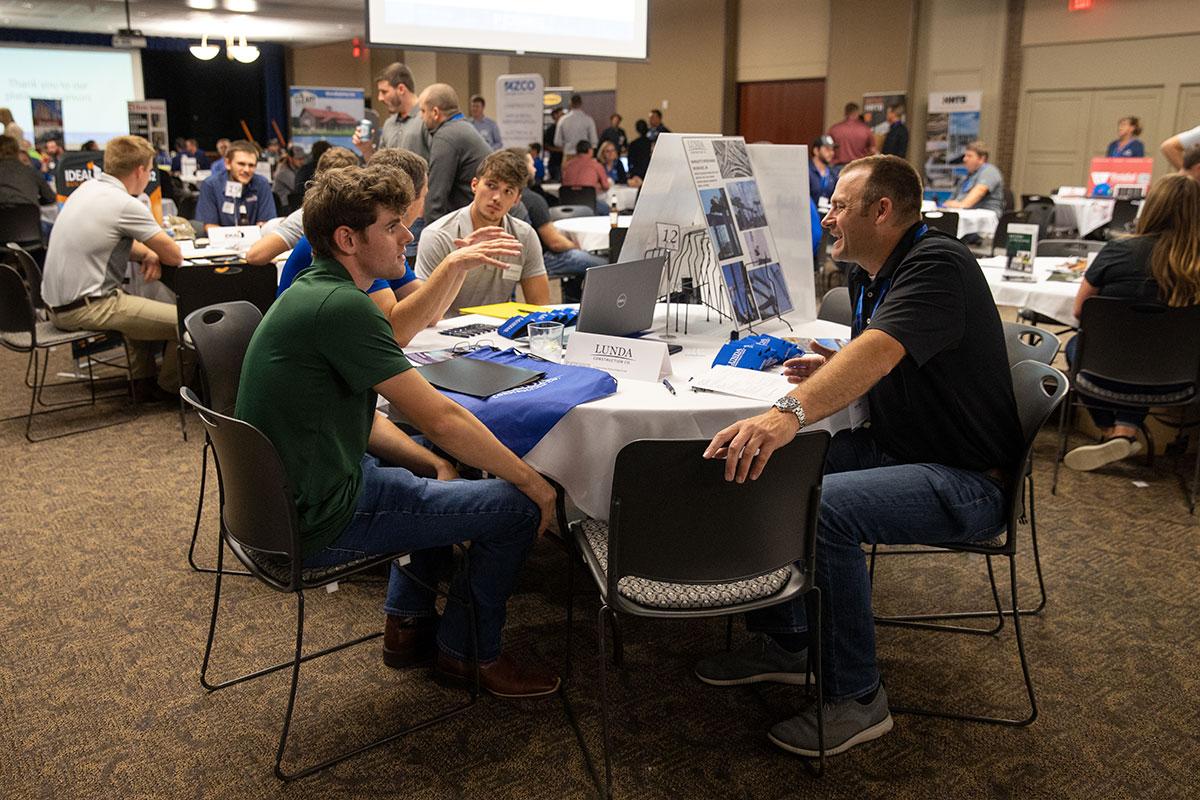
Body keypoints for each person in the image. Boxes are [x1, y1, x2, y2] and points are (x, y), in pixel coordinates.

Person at [694, 155, 1021, 758]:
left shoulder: (936, 264)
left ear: (883, 210)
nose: (828, 215)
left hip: (966, 478)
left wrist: (785, 413)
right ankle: (790, 641)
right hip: (902, 450)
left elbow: (879, 350)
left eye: (839, 206)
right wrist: (831, 370)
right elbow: (890, 358)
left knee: (826, 509)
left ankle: (857, 698)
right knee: (777, 473)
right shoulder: (874, 274)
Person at [234, 162, 560, 697]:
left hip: (290, 499)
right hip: (320, 519)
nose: (408, 233)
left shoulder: (318, 289)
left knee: (433, 456)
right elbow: (443, 416)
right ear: (347, 239)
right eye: (392, 226)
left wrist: (428, 459)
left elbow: (358, 422)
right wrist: (534, 481)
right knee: (517, 507)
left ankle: (407, 624)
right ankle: (468, 654)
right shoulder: (343, 308)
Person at [1063, 174, 1200, 472]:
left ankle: (1112, 431)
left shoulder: (1117, 251)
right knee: (1151, 348)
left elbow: (1079, 310)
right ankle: (1126, 430)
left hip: (1101, 373)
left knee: (1080, 345)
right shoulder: (1196, 262)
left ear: (1150, 208)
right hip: (1178, 379)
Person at [41, 135, 184, 401]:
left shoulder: (86, 189)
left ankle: (142, 382)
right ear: (141, 171)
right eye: (151, 169)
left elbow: (105, 243)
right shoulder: (124, 204)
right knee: (187, 321)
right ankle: (171, 387)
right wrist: (154, 252)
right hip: (88, 307)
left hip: (56, 306)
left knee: (136, 305)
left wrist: (147, 254)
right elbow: (174, 255)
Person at [417, 148, 548, 313]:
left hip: (499, 332)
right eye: (491, 185)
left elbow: (540, 309)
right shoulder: (438, 235)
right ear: (474, 185)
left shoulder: (524, 236)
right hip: (444, 331)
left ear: (517, 200)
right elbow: (422, 312)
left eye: (508, 191)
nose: (497, 198)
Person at [513, 147, 605, 302]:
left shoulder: (516, 197)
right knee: (605, 264)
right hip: (544, 259)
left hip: (519, 260)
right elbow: (554, 243)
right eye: (531, 164)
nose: (535, 168)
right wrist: (576, 246)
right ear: (523, 168)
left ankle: (573, 295)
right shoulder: (533, 200)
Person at [246, 146, 359, 266]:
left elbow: (254, 256)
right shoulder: (313, 214)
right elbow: (255, 256)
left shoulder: (308, 214)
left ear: (318, 176)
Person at [419, 83, 493, 223]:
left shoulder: (446, 136)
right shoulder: (463, 128)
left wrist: (432, 239)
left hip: (469, 223)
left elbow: (435, 199)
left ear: (435, 113)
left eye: (423, 111)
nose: (420, 117)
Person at [356, 62, 430, 162]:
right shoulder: (389, 124)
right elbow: (380, 168)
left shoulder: (426, 119)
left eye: (384, 92)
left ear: (401, 89)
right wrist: (366, 149)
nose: (380, 98)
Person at [195, 139, 277, 230]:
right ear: (228, 163)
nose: (246, 170)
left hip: (255, 241)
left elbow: (266, 224)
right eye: (241, 164)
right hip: (220, 242)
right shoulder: (210, 185)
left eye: (251, 165)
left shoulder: (262, 184)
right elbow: (210, 226)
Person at [943, 140, 1005, 216]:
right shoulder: (966, 177)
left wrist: (961, 204)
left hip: (984, 219)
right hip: (963, 215)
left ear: (981, 158)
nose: (964, 159)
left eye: (969, 156)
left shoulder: (990, 171)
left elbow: (979, 191)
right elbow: (949, 201)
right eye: (965, 156)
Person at [0, 134, 55, 208]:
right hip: (29, 214)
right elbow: (50, 197)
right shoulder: (30, 171)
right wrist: (32, 201)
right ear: (17, 151)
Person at [554, 94, 598, 167]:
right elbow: (594, 141)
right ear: (581, 104)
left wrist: (566, 144)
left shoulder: (563, 120)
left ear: (570, 103)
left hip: (568, 156)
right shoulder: (588, 120)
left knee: (568, 177)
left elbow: (557, 142)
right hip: (584, 156)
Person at [827, 102, 875, 168]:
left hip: (838, 167)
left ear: (845, 113)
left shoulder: (834, 129)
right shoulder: (866, 130)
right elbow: (873, 150)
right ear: (857, 113)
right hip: (858, 166)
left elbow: (826, 148)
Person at [809, 135, 837, 205]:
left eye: (832, 149)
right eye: (827, 149)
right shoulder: (806, 171)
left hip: (827, 212)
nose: (832, 153)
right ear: (816, 151)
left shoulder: (833, 174)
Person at [543, 107, 564, 182]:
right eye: (561, 114)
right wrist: (558, 150)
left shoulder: (565, 128)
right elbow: (545, 146)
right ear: (555, 116)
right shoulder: (550, 130)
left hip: (565, 161)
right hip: (555, 161)